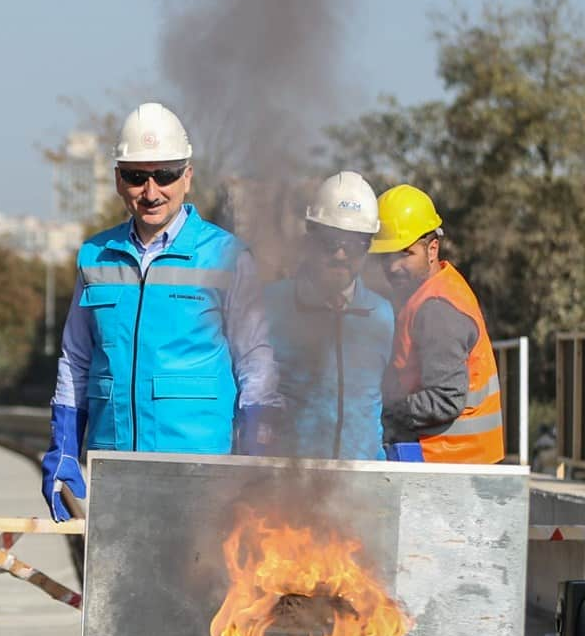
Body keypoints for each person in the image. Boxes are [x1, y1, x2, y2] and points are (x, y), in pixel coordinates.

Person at [40, 102, 282, 520]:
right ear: (118, 180)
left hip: (201, 474)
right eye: (137, 177)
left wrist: (258, 453)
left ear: (188, 176)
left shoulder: (226, 256)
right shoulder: (94, 256)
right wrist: (63, 448)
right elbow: (76, 360)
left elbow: (255, 360)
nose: (151, 192)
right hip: (113, 468)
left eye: (165, 175)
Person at [263, 171, 395, 460]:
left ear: (369, 246)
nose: (340, 255)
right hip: (288, 482)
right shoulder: (271, 305)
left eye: (354, 245)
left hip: (362, 486)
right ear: (310, 237)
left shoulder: (383, 315)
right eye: (330, 242)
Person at [370, 183, 504, 464]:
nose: (393, 266)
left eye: (405, 253)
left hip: (451, 464)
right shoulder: (431, 291)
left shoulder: (436, 308)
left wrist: (382, 410)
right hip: (455, 463)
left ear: (432, 249)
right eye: (386, 256)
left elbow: (445, 399)